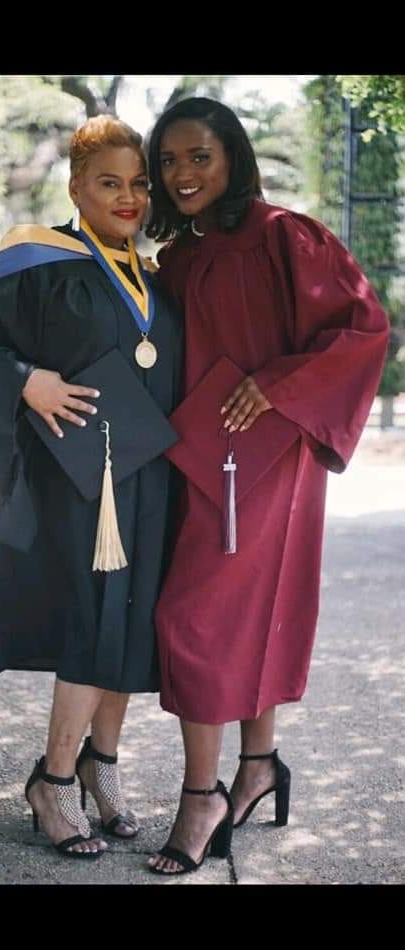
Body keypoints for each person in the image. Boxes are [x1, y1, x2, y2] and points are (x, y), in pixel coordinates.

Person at [144, 96, 390, 875]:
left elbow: (362, 327)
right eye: (170, 161)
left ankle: (200, 797)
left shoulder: (289, 237)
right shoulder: (181, 258)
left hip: (270, 451)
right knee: (232, 611)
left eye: (199, 157)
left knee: (196, 615)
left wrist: (278, 385)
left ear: (234, 158)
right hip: (201, 450)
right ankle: (258, 766)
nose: (182, 173)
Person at [0, 115, 183, 861]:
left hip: (148, 477)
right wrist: (25, 381)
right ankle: (50, 779)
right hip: (78, 482)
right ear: (76, 186)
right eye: (109, 182)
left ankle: (100, 769)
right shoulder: (34, 259)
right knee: (90, 622)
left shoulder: (154, 276)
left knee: (133, 624)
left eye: (139, 183)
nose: (128, 197)